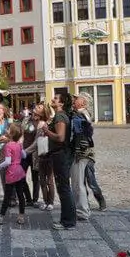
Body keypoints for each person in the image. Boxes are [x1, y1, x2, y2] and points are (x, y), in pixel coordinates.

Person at [42, 93, 77, 230]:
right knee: (64, 188)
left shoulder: (60, 116)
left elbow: (60, 137)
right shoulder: (60, 115)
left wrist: (46, 131)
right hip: (61, 155)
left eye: (56, 98)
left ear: (61, 104)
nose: (53, 100)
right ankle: (67, 219)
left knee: (63, 188)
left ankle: (68, 221)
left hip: (61, 155)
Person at [0, 122, 27, 225]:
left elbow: (7, 161)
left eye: (8, 129)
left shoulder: (8, 146)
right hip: (20, 171)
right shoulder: (19, 145)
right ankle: (21, 216)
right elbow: (24, 155)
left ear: (11, 134)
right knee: (20, 195)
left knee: (7, 196)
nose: (6, 129)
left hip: (11, 172)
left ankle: (1, 217)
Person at [70, 95, 94, 221]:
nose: (74, 100)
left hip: (80, 153)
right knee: (78, 182)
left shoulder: (81, 116)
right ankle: (81, 208)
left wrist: (78, 150)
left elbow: (80, 135)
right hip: (83, 153)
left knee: (78, 183)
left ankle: (82, 211)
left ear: (83, 103)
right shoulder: (81, 114)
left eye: (77, 99)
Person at [34, 103, 56, 211]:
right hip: (40, 154)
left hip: (49, 154)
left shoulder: (48, 123)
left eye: (39, 107)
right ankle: (46, 201)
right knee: (42, 179)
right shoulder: (38, 122)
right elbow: (36, 141)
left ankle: (51, 202)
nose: (36, 108)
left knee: (49, 180)